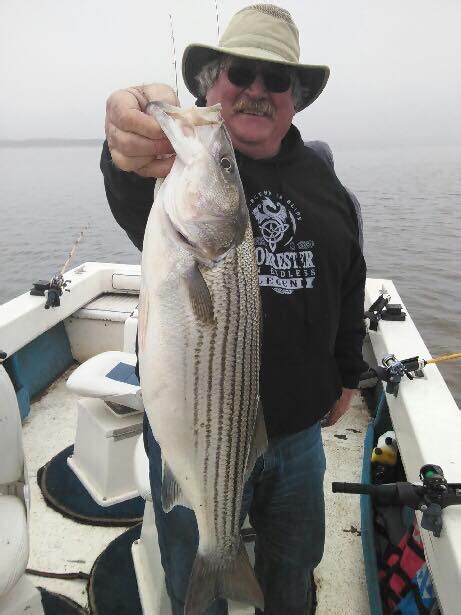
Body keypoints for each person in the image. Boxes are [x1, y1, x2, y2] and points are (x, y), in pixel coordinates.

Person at [100, 4, 367, 614]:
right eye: (241, 72)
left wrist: (348, 375)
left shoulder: (329, 189)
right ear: (209, 83)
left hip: (300, 434)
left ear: (296, 98)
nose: (256, 90)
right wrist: (124, 140)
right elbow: (128, 175)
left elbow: (349, 287)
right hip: (193, 430)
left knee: (293, 571)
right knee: (191, 574)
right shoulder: (175, 168)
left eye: (276, 80)